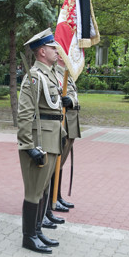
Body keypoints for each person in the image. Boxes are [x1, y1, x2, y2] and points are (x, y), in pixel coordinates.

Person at [17, 29, 66, 254]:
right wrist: (28, 146)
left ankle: (37, 231)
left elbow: (55, 110)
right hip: (39, 142)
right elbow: (25, 114)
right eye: (53, 47)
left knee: (44, 189)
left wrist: (62, 135)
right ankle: (29, 237)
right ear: (42, 51)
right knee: (34, 191)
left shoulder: (50, 74)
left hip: (51, 138)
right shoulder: (34, 76)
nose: (57, 51)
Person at [52, 53, 79, 214]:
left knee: (61, 163)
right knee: (57, 162)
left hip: (71, 122)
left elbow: (74, 96)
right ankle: (53, 198)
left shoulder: (66, 73)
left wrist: (73, 101)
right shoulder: (55, 73)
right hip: (63, 121)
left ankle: (58, 196)